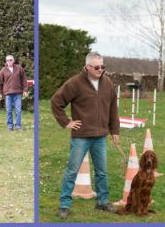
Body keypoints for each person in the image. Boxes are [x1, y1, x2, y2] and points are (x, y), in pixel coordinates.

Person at [50, 52, 120, 219]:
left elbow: (113, 109)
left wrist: (115, 131)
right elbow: (56, 102)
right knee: (72, 171)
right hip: (81, 136)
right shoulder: (74, 83)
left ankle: (102, 201)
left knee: (102, 172)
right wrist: (67, 122)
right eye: (97, 67)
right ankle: (64, 205)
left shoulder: (108, 83)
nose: (100, 70)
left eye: (103, 67)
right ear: (87, 67)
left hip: (100, 137)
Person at [0, 54, 28, 130]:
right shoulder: (3, 70)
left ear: (13, 60)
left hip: (18, 93)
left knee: (18, 110)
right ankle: (10, 126)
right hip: (8, 94)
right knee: (9, 111)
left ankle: (18, 126)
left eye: (11, 60)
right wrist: (0, 93)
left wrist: (25, 90)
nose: (9, 61)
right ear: (6, 61)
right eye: (7, 60)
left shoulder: (19, 68)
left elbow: (24, 80)